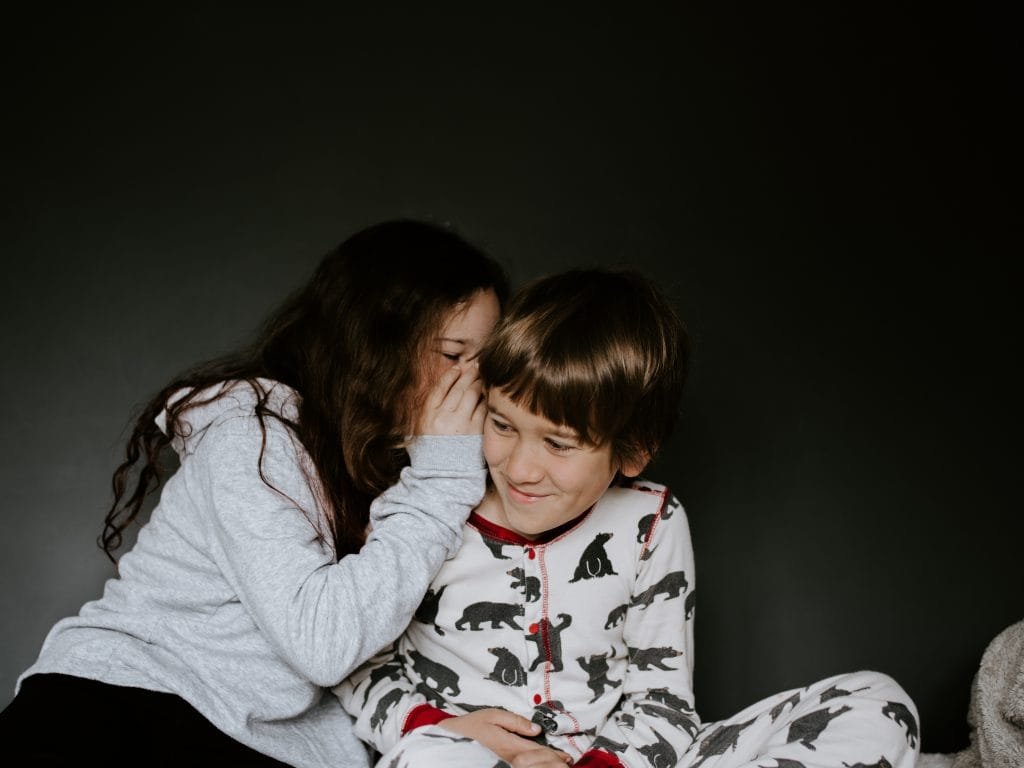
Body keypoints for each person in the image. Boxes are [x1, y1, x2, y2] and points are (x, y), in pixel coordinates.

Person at [336, 268, 922, 768]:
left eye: (559, 445)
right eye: (503, 424)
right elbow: (358, 667)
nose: (520, 467)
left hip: (607, 760)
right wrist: (451, 730)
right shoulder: (425, 507)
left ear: (631, 451)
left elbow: (663, 704)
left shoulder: (652, 522)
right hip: (467, 753)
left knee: (879, 703)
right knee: (429, 758)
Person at [0, 219, 513, 767]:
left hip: (262, 739)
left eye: (486, 361)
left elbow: (394, 645)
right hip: (128, 708)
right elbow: (324, 643)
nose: (472, 383)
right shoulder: (251, 434)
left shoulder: (408, 462)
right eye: (452, 354)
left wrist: (428, 723)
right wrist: (441, 479)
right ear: (373, 347)